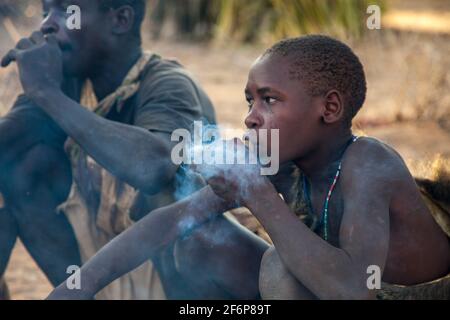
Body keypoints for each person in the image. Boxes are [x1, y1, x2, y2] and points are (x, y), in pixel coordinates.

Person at [47, 35, 450, 300]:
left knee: (280, 269)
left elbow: (352, 290)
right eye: (249, 101)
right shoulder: (280, 159)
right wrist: (79, 286)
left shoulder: (369, 164)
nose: (251, 118)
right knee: (199, 238)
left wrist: (257, 193)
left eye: (269, 100)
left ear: (329, 108)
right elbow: (170, 221)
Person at [0, 0, 220, 299]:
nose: (46, 25)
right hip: (97, 278)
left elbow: (153, 169)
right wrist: (36, 90)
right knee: (20, 165)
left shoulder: (169, 84)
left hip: (176, 284)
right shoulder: (65, 82)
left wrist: (45, 93)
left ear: (120, 20)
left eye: (67, 12)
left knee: (164, 193)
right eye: (44, 12)